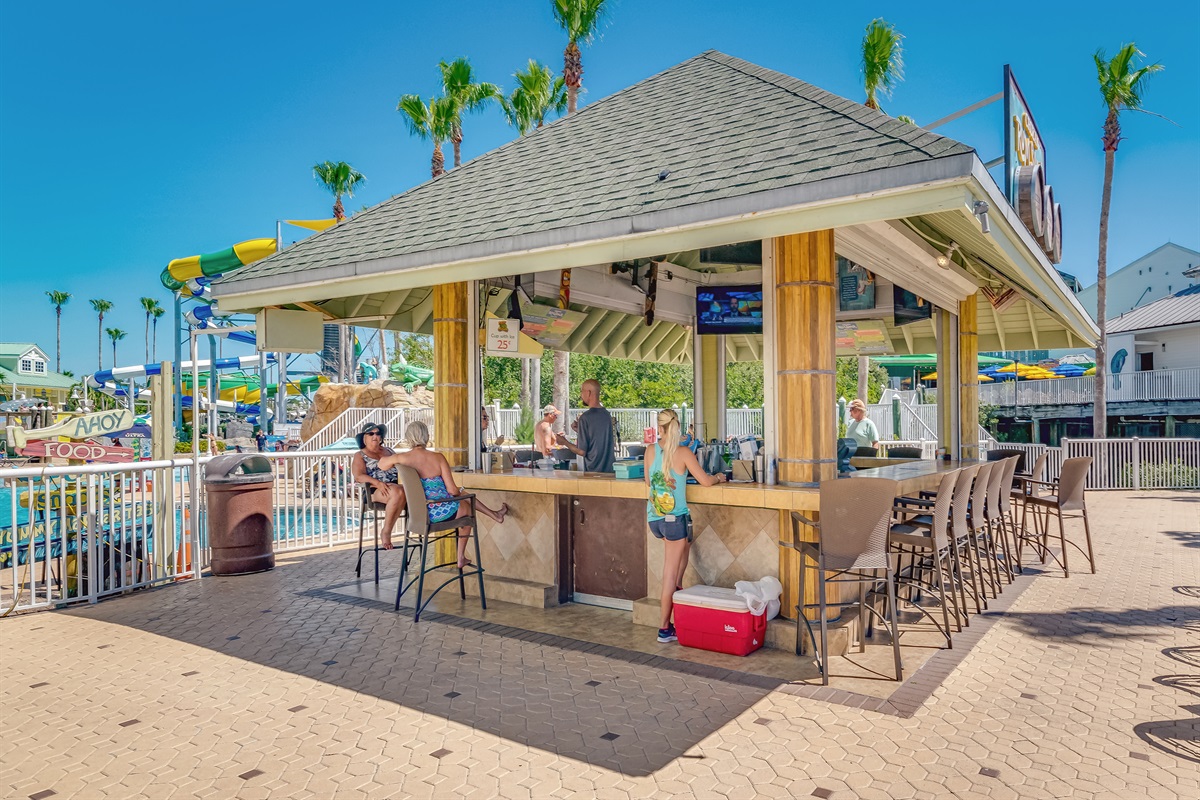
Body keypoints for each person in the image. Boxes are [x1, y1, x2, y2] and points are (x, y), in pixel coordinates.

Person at [644, 408, 726, 644]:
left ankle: (678, 588)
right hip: (674, 519)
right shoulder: (683, 452)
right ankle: (664, 629)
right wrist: (718, 478)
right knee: (668, 574)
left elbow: (648, 482)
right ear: (677, 427)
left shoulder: (650, 451)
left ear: (660, 428)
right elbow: (705, 481)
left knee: (685, 545)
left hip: (655, 519)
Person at [378, 421, 508, 566]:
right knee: (466, 504)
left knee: (461, 494)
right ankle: (461, 556)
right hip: (441, 511)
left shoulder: (401, 458)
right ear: (426, 436)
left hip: (419, 515)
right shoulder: (437, 458)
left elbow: (381, 464)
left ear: (409, 437)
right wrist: (459, 491)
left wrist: (390, 457)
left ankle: (495, 515)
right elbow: (451, 490)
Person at [351, 422, 407, 543]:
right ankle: (386, 532)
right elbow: (359, 476)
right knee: (398, 492)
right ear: (364, 438)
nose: (374, 436)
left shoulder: (390, 451)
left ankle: (424, 528)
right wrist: (377, 483)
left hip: (396, 488)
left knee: (412, 490)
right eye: (370, 433)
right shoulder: (360, 455)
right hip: (374, 491)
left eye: (377, 433)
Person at [555, 379, 615, 473]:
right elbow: (596, 438)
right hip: (610, 471)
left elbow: (581, 451)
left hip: (593, 471)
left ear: (589, 393)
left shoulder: (585, 417)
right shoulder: (606, 415)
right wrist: (580, 431)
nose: (581, 395)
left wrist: (564, 442)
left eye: (582, 391)